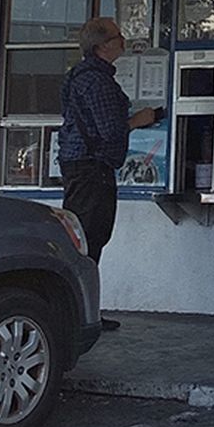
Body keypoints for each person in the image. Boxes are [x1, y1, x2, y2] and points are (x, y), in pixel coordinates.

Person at [58, 17, 159, 331]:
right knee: (90, 240)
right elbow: (111, 130)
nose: (124, 42)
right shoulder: (98, 82)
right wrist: (139, 120)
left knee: (83, 239)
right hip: (92, 168)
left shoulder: (77, 77)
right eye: (119, 36)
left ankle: (79, 310)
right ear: (102, 46)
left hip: (78, 165)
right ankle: (81, 314)